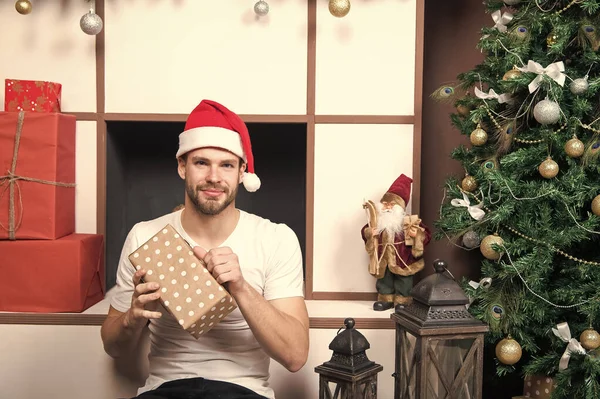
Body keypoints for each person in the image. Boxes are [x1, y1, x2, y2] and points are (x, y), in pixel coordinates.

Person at [100, 99, 310, 399]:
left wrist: (240, 287)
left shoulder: (276, 238)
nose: (214, 177)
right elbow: (113, 347)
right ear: (182, 166)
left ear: (241, 172)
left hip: (244, 390)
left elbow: (296, 355)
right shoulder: (145, 236)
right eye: (201, 162)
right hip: (165, 389)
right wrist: (134, 317)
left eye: (226, 164)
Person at [361, 174, 431, 312]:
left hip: (403, 260)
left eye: (391, 205)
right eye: (385, 204)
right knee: (384, 280)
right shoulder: (378, 222)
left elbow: (426, 234)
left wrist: (417, 235)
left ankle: (403, 300)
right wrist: (370, 233)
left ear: (399, 207)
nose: (387, 207)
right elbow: (365, 231)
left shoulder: (408, 221)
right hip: (383, 259)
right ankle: (385, 299)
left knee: (403, 280)